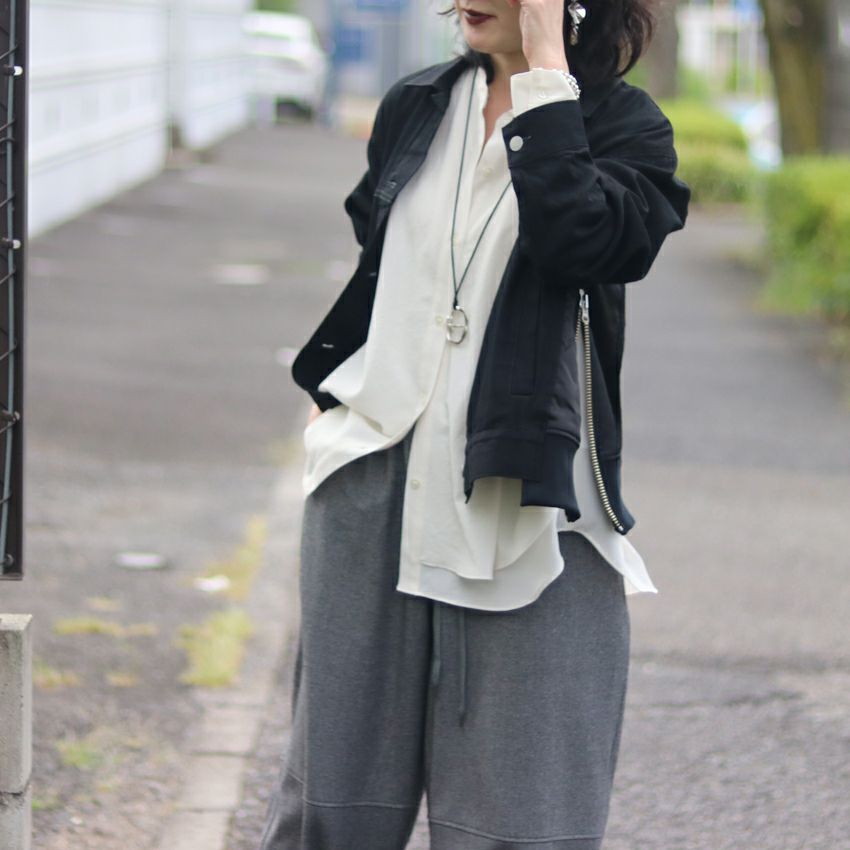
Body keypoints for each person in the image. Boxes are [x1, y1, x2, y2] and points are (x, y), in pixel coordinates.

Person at [258, 0, 690, 847]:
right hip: (373, 477)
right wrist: (348, 396)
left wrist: (545, 74)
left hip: (524, 490)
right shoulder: (417, 103)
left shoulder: (625, 128)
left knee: (518, 819)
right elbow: (383, 251)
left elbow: (583, 240)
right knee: (331, 813)